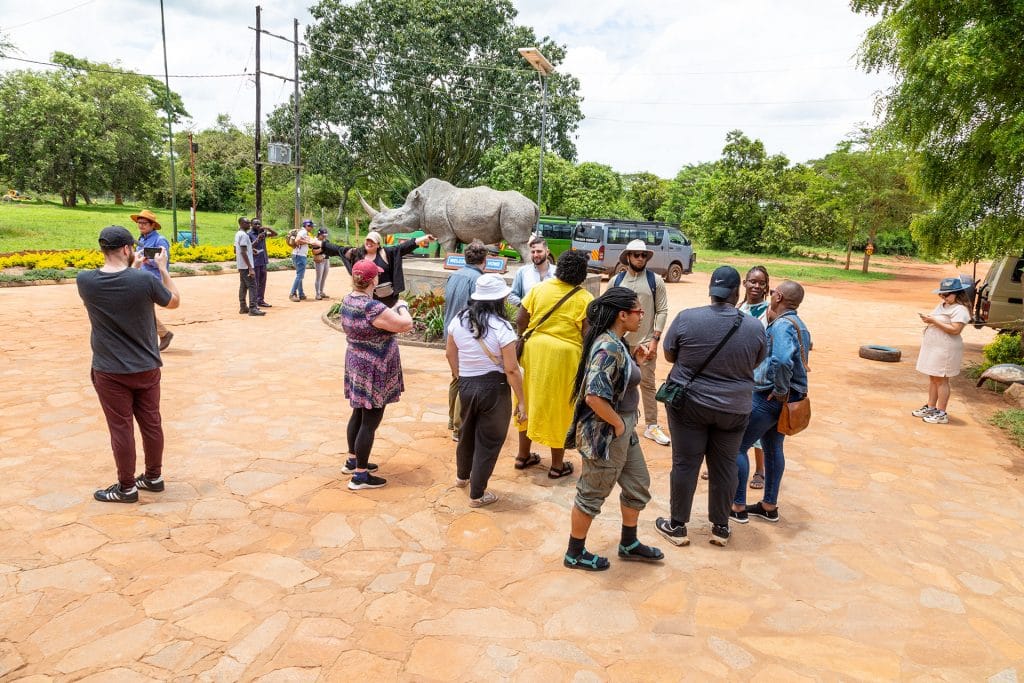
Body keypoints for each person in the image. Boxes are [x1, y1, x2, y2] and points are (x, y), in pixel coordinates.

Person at [655, 266, 766, 548]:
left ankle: (677, 526)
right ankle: (720, 527)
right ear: (736, 292)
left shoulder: (687, 318)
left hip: (689, 405)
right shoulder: (755, 327)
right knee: (725, 465)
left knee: (685, 463)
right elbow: (756, 361)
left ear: (711, 290)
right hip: (735, 408)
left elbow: (669, 354)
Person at [76, 226, 180, 502]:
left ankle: (127, 487)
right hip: (146, 365)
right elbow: (174, 302)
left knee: (120, 428)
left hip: (110, 370)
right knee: (151, 422)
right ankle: (154, 476)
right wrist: (163, 268)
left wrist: (131, 267)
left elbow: (115, 287)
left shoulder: (85, 281)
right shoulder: (144, 281)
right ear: (126, 249)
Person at [563, 287, 664, 571]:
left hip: (623, 431)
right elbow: (594, 396)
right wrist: (619, 424)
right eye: (638, 312)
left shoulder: (618, 341)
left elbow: (617, 379)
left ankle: (629, 543)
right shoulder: (607, 347)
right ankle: (575, 553)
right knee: (592, 493)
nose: (641, 316)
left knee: (637, 484)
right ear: (622, 315)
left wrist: (637, 362)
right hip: (607, 435)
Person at [730, 280, 811, 524]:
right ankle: (768, 505)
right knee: (773, 448)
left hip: (772, 398)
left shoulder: (781, 325)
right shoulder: (800, 324)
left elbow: (783, 361)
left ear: (779, 297)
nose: (771, 293)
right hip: (791, 399)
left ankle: (738, 506)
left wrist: (779, 389)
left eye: (774, 291)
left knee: (737, 447)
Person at [445, 274, 527, 507]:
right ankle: (478, 494)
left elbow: (450, 353)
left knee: (466, 433)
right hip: (495, 388)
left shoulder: (458, 320)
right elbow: (511, 369)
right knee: (489, 441)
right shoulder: (502, 327)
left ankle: (462, 477)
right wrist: (521, 401)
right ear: (499, 300)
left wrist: (459, 376)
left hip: (467, 385)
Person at [516, 249, 594, 478]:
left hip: (533, 353)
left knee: (527, 401)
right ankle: (557, 466)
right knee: (559, 406)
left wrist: (525, 337)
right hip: (565, 358)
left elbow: (521, 319)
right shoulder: (584, 298)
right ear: (581, 274)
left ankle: (523, 456)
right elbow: (587, 333)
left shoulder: (539, 289)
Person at [340, 259, 414, 490]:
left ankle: (353, 461)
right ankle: (360, 476)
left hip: (357, 363)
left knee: (359, 413)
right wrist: (402, 305)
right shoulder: (371, 307)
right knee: (370, 420)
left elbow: (377, 322)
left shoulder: (348, 300)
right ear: (374, 280)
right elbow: (405, 324)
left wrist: (388, 310)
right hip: (374, 368)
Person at [612, 239, 670, 447]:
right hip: (620, 344)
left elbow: (662, 310)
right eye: (635, 254)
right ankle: (616, 421)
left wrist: (655, 339)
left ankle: (652, 425)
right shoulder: (616, 281)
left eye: (643, 255)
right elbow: (608, 310)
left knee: (647, 383)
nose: (639, 258)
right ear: (628, 256)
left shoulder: (656, 281)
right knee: (617, 382)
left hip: (645, 343)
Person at [443, 240, 488, 441]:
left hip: (451, 333)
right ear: (485, 260)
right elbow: (476, 312)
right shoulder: (478, 280)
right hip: (467, 335)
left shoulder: (455, 275)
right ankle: (459, 427)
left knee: (456, 376)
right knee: (466, 380)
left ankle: (453, 420)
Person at [912, 276, 972, 425]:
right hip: (934, 347)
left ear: (957, 293)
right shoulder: (942, 305)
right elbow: (936, 318)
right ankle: (931, 407)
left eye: (947, 294)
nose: (943, 297)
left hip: (946, 349)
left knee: (942, 380)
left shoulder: (960, 309)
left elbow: (955, 330)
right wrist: (928, 319)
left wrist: (934, 321)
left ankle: (942, 412)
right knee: (933, 378)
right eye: (941, 294)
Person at [737, 265, 770, 489]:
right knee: (734, 421)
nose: (756, 286)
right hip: (740, 374)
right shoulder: (740, 307)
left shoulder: (770, 311)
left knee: (757, 427)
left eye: (761, 283)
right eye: (752, 281)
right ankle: (726, 463)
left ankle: (759, 470)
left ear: (767, 286)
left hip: (760, 377)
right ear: (744, 283)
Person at [342, 230, 436, 307]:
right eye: (368, 240)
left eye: (372, 241)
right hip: (365, 297)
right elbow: (339, 250)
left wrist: (424, 238)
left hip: (386, 298)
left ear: (378, 244)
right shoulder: (357, 253)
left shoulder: (386, 253)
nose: (369, 243)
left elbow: (404, 246)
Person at [131, 209, 173, 350]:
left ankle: (162, 334)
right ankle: (162, 334)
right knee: (142, 309)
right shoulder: (141, 239)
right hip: (141, 277)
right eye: (139, 222)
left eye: (144, 223)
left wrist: (148, 261)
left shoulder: (160, 240)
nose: (141, 225)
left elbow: (163, 262)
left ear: (153, 225)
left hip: (154, 279)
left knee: (141, 309)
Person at [508, 236, 556, 306]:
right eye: (533, 252)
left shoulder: (557, 272)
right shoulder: (522, 272)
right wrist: (524, 306)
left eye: (539, 251)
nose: (535, 255)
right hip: (529, 316)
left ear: (547, 252)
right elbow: (512, 295)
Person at [234, 217, 264, 316]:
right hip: (246, 266)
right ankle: (253, 308)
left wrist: (251, 250)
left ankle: (243, 307)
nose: (249, 225)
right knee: (253, 286)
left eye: (248, 223)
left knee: (243, 286)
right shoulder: (243, 235)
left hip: (241, 265)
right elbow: (243, 251)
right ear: (241, 224)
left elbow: (236, 250)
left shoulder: (238, 234)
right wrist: (250, 267)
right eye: (246, 223)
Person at [249, 218, 277, 308]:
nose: (257, 226)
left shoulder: (263, 233)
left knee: (262, 282)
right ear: (251, 225)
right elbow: (249, 247)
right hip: (255, 262)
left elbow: (275, 234)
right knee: (255, 283)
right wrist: (258, 239)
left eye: (259, 224)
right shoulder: (249, 234)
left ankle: (260, 300)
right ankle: (254, 302)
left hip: (263, 261)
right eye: (255, 224)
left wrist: (268, 228)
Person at [290, 218, 314, 302]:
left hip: (299, 255)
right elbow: (297, 240)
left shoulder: (304, 232)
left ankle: (301, 294)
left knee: (300, 275)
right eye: (311, 226)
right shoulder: (303, 232)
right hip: (299, 256)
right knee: (300, 275)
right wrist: (308, 242)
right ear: (307, 226)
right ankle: (292, 294)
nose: (312, 228)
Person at [313, 227, 332, 300]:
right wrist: (323, 247)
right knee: (319, 278)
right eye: (323, 235)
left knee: (324, 278)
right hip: (319, 261)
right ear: (319, 234)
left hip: (326, 260)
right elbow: (314, 252)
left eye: (325, 235)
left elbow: (329, 251)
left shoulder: (327, 241)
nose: (324, 236)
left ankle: (321, 292)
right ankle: (317, 294)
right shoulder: (316, 241)